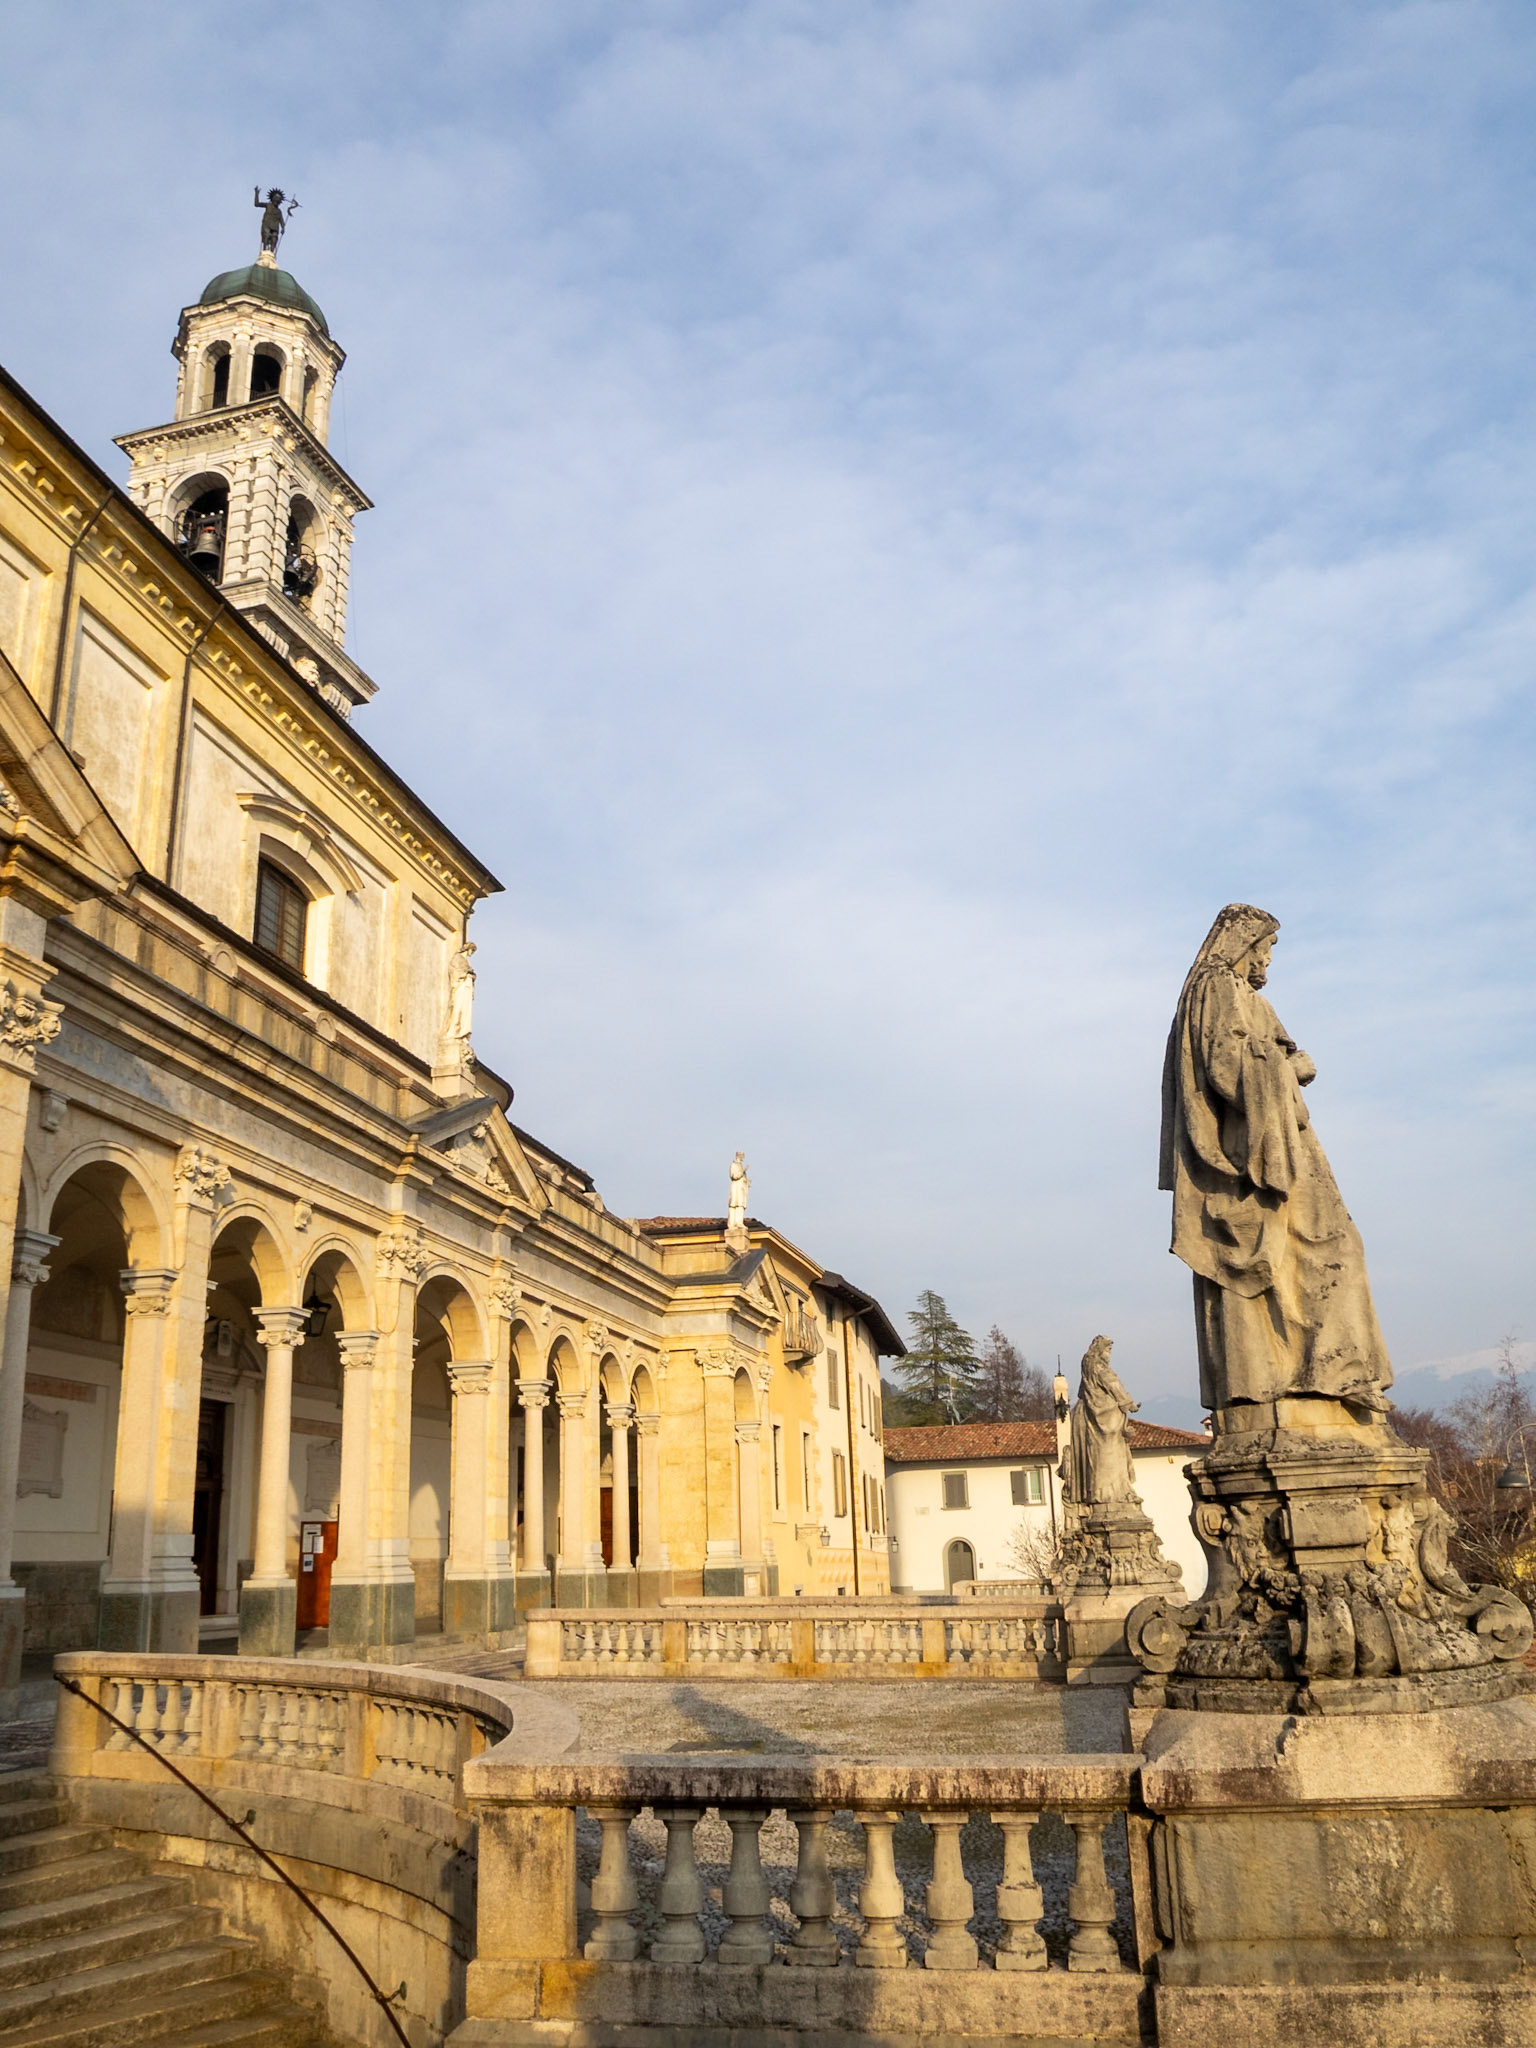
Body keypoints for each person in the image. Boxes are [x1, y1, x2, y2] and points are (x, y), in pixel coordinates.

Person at [1159, 903, 1392, 1418]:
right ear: (1243, 943)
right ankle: (1323, 1378)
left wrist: (1282, 1066)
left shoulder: (1241, 995)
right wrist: (1291, 1069)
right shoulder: (1216, 987)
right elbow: (1226, 1068)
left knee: (1333, 1248)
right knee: (1334, 1249)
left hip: (1283, 1141)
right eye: (1265, 946)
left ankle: (1331, 1377)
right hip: (1253, 1156)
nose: (1267, 958)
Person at [1062, 1336, 1139, 1507]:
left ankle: (1103, 1492)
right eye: (1108, 1350)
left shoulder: (1087, 1367)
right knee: (1110, 1455)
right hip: (1104, 1418)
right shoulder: (1098, 1366)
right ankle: (1113, 1493)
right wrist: (1128, 1403)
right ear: (1100, 1349)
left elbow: (1084, 1392)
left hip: (1089, 1415)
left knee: (1097, 1456)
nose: (1109, 1355)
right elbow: (1112, 1383)